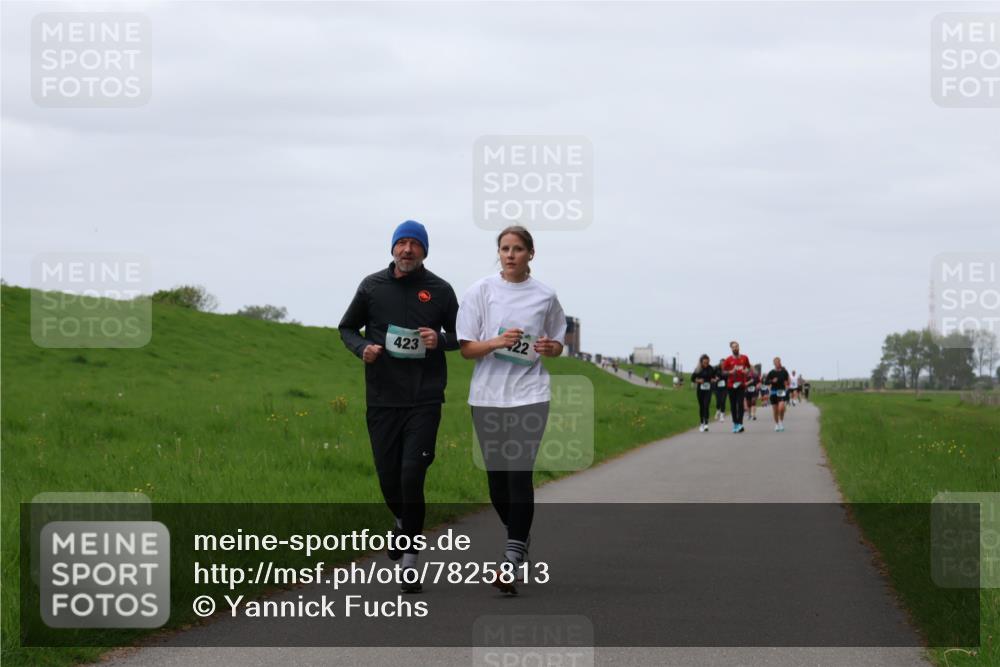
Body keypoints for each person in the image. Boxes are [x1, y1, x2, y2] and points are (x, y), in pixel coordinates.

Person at [338, 220, 459, 593]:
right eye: (402, 243)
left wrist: (439, 340)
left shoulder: (440, 290)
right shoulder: (372, 286)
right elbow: (346, 328)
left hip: (424, 398)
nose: (407, 250)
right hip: (382, 399)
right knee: (389, 480)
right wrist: (363, 349)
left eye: (415, 244)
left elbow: (462, 335)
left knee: (412, 475)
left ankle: (409, 563)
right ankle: (402, 523)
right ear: (393, 248)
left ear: (425, 251)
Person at [456, 225, 566, 595]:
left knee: (519, 475)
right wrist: (496, 342)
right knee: (497, 482)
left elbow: (556, 342)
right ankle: (519, 534)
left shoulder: (545, 296)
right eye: (504, 248)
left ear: (531, 254)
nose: (510, 254)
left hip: (529, 395)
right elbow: (467, 348)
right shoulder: (481, 291)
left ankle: (512, 556)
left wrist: (552, 349)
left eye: (518, 248)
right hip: (487, 397)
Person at [722, 341, 752, 433]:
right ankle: (735, 423)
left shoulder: (744, 358)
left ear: (739, 347)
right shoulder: (728, 360)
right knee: (733, 405)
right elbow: (723, 372)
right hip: (731, 385)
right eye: (733, 347)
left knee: (740, 404)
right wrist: (730, 372)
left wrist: (746, 371)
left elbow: (748, 367)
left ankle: (740, 423)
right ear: (731, 349)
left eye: (736, 346)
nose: (735, 348)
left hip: (741, 384)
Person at [691, 354, 716, 432]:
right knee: (701, 406)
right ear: (701, 362)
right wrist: (698, 381)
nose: (706, 364)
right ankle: (701, 423)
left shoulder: (711, 368)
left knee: (706, 405)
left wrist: (713, 380)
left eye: (707, 362)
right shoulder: (698, 369)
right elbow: (692, 379)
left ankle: (706, 424)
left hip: (708, 390)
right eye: (704, 362)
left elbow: (714, 377)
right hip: (700, 390)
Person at [765, 357, 791, 431]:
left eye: (778, 362)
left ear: (780, 362)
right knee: (775, 410)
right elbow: (766, 382)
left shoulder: (784, 371)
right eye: (775, 362)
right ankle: (776, 424)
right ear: (773, 363)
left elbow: (788, 381)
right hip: (773, 392)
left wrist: (787, 384)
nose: (777, 363)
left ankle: (781, 422)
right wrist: (772, 381)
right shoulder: (771, 372)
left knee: (781, 408)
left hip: (781, 391)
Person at [713, 357, 728, 422]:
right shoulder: (716, 369)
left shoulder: (727, 369)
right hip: (717, 387)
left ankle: (722, 414)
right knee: (718, 400)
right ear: (720, 363)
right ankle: (717, 410)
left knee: (723, 400)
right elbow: (712, 375)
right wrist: (715, 378)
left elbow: (729, 377)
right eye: (721, 363)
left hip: (725, 388)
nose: (722, 364)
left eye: (724, 363)